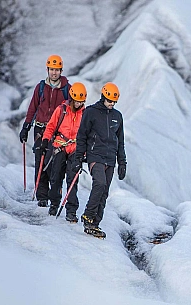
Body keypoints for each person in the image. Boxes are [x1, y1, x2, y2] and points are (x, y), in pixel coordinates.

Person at [72, 82, 126, 237]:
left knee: (104, 192)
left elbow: (120, 141)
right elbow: (81, 136)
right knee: (99, 183)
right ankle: (88, 215)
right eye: (109, 101)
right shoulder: (91, 112)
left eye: (114, 102)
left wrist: (122, 163)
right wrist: (78, 158)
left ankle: (94, 224)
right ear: (103, 96)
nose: (111, 104)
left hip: (111, 159)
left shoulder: (118, 116)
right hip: (95, 156)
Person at [19, 54, 70, 207]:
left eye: (57, 70)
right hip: (40, 128)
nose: (54, 73)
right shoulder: (40, 87)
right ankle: (42, 196)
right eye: (51, 69)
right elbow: (33, 107)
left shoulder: (67, 89)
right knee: (39, 159)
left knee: (53, 162)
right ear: (48, 70)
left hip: (57, 131)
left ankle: (53, 194)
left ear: (61, 71)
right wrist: (26, 126)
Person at [39, 82, 87, 222]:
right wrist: (45, 141)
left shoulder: (85, 114)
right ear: (71, 98)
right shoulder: (61, 110)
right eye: (77, 101)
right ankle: (54, 204)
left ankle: (71, 210)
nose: (78, 104)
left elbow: (88, 134)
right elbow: (50, 127)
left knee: (73, 179)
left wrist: (85, 152)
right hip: (60, 146)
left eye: (81, 102)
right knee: (56, 177)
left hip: (76, 149)